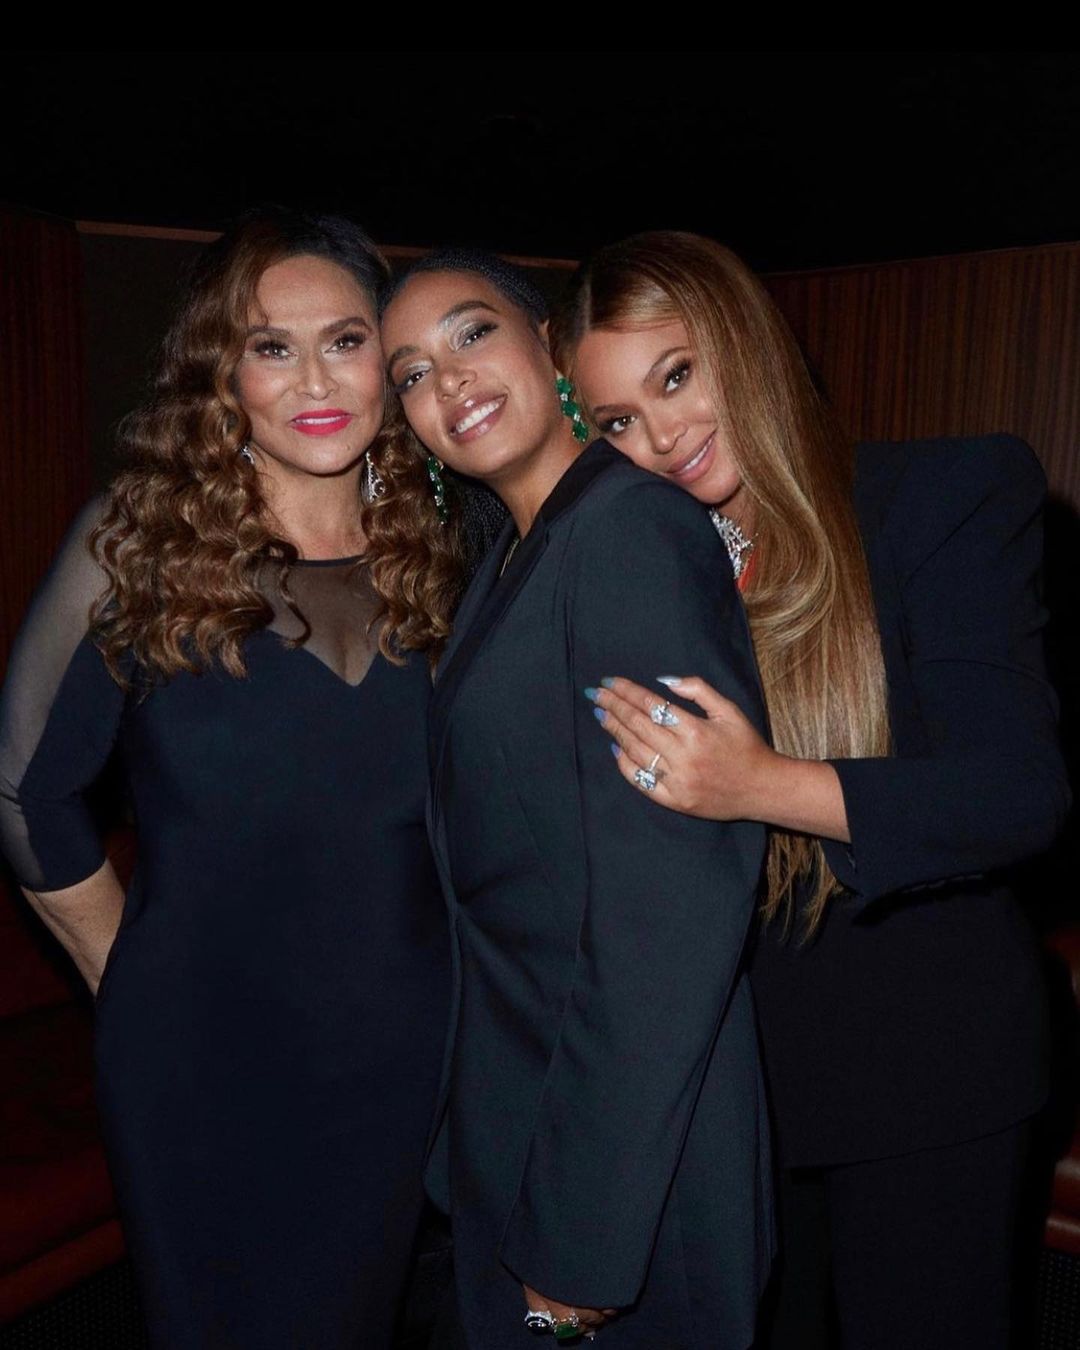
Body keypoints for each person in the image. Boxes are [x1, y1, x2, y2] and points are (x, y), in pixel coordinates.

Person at [549, 230, 1071, 1350]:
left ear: (749, 344)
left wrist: (761, 784)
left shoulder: (941, 495)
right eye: (618, 422)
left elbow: (1018, 793)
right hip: (743, 1087)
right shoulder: (647, 569)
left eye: (676, 376)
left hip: (931, 1070)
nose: (661, 437)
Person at [0, 209, 462, 1349]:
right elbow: (24, 792)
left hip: (403, 1057)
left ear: (388, 360)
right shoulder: (138, 546)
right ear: (222, 372)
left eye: (345, 341)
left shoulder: (454, 552)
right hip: (197, 1061)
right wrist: (126, 972)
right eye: (271, 347)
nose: (315, 379)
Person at [379, 250, 774, 1349]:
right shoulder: (513, 558)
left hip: (623, 1171)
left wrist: (586, 1230)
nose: (449, 381)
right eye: (411, 374)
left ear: (547, 344)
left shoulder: (631, 529)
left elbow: (670, 909)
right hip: (526, 1124)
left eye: (471, 334)